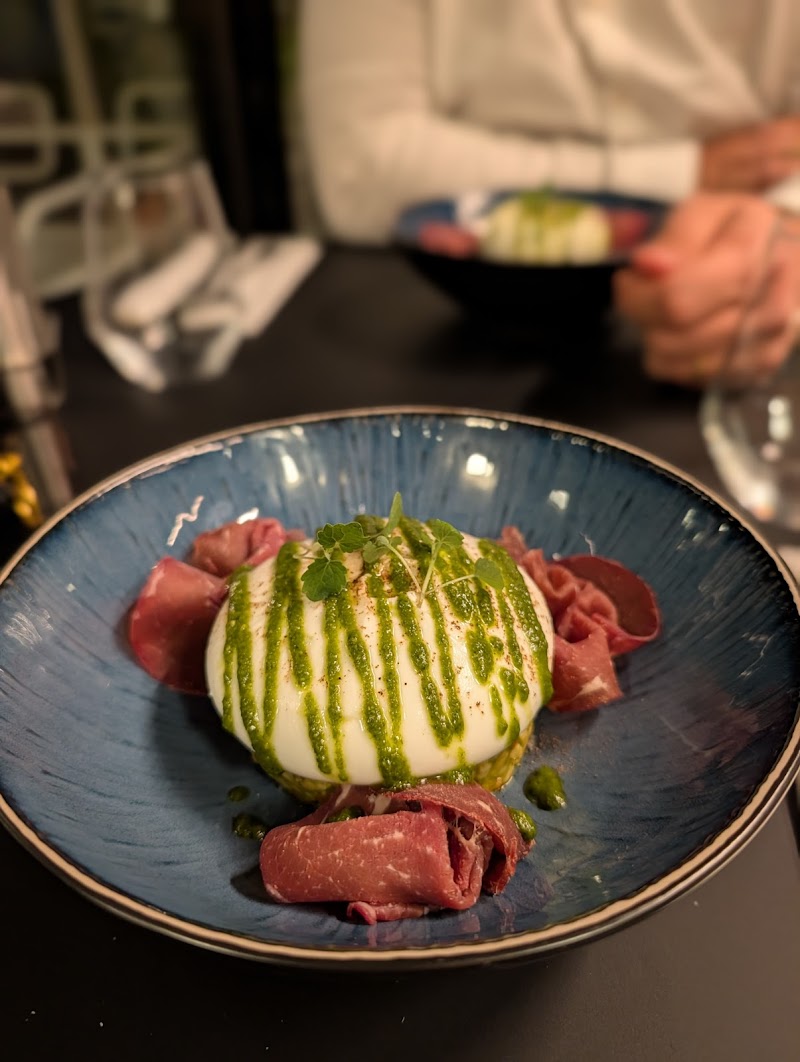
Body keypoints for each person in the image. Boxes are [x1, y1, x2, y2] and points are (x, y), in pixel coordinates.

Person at [298, 0, 800, 386]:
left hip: (738, 310)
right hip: (425, 317)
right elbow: (359, 165)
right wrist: (688, 171)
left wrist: (785, 233)